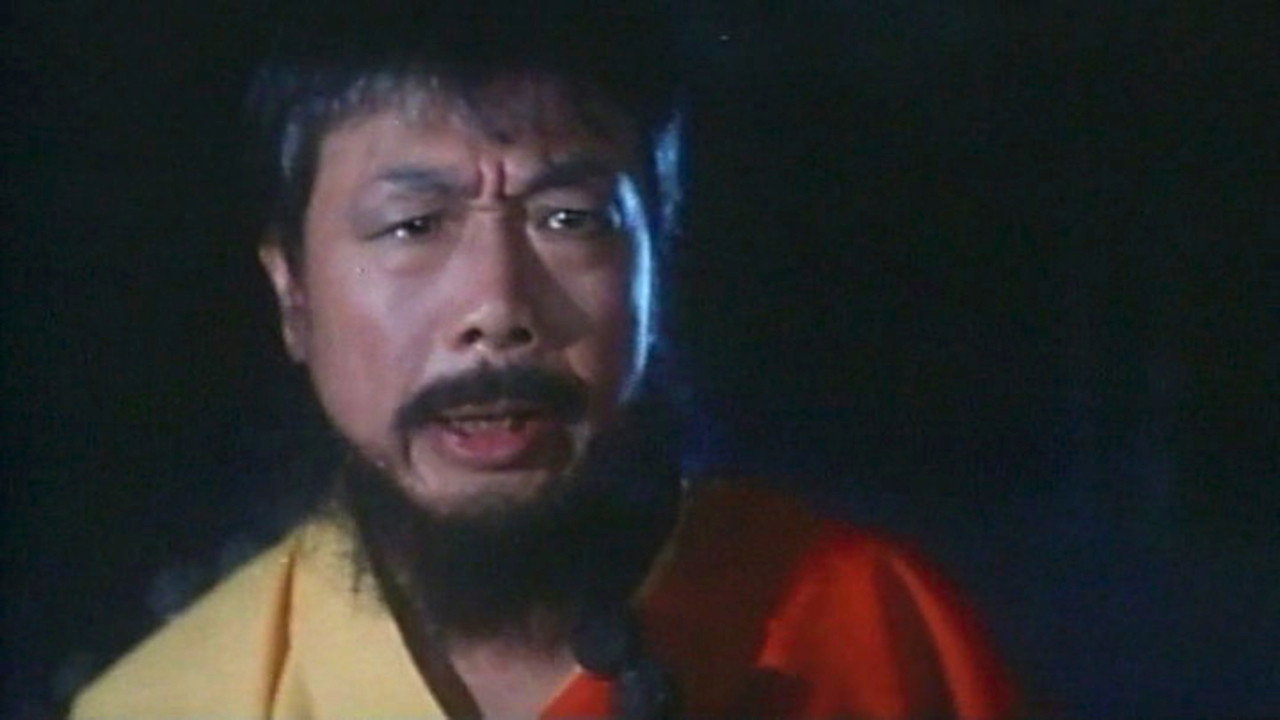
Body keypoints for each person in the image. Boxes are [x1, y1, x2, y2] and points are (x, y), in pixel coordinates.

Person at [72, 2, 1019, 718]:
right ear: (293, 295)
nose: (497, 308)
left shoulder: (873, 623)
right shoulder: (174, 704)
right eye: (413, 225)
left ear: (657, 261)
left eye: (569, 219)